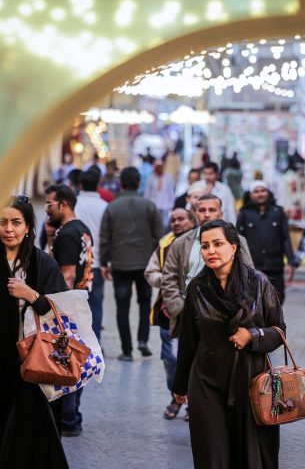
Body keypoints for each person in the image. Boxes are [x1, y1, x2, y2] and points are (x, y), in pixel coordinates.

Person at [0, 195, 68, 469]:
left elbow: (60, 313)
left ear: (28, 227)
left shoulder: (43, 264)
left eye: (16, 222)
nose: (9, 229)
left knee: (25, 439)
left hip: (30, 368)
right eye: (3, 222)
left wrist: (32, 295)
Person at [172, 219, 285, 468]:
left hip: (251, 382)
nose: (210, 251)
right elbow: (188, 341)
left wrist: (253, 336)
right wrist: (180, 386)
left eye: (218, 244)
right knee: (212, 457)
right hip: (206, 383)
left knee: (250, 456)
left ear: (234, 247)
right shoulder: (197, 289)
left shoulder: (258, 284)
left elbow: (279, 331)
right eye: (205, 246)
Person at [161, 194, 253, 337]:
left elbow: (248, 275)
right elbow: (168, 278)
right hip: (189, 315)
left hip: (227, 317)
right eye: (202, 210)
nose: (207, 214)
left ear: (221, 213)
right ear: (195, 213)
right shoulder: (181, 243)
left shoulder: (237, 241)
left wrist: (238, 310)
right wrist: (180, 309)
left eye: (212, 210)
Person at [99, 167, 163, 361]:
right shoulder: (149, 206)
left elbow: (104, 238)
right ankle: (142, 340)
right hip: (144, 264)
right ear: (138, 183)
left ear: (122, 184)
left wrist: (103, 262)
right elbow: (160, 237)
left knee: (122, 307)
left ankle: (126, 350)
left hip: (120, 264)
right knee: (145, 303)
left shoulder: (112, 207)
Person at [45, 184, 94, 437]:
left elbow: (68, 274)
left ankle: (68, 419)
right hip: (83, 303)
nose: (46, 209)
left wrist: (57, 312)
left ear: (64, 205)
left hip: (68, 309)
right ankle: (72, 417)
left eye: (50, 204)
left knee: (65, 363)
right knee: (75, 360)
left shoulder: (67, 235)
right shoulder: (81, 229)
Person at [144, 208, 196, 420]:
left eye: (181, 218)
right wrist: (166, 280)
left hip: (196, 313)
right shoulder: (164, 244)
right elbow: (150, 272)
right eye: (173, 219)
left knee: (195, 360)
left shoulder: (200, 243)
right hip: (169, 312)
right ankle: (176, 396)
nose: (176, 222)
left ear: (192, 221)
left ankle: (194, 401)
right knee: (169, 358)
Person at [236, 180, 296, 304]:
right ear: (251, 195)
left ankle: (275, 323)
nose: (260, 194)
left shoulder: (278, 212)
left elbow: (285, 238)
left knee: (277, 299)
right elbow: (238, 241)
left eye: (262, 191)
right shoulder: (244, 214)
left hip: (275, 266)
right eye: (256, 191)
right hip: (252, 267)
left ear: (268, 192)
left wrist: (291, 262)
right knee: (253, 301)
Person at [74, 170, 109, 344]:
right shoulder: (104, 206)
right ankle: (95, 343)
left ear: (81, 185)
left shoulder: (74, 205)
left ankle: (78, 342)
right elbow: (107, 236)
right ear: (98, 184)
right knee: (96, 303)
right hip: (97, 262)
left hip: (75, 263)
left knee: (76, 305)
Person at [145, 160, 176, 230]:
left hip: (166, 206)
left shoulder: (168, 177)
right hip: (154, 205)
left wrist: (172, 204)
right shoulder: (151, 178)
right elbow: (147, 192)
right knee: (154, 225)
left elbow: (171, 192)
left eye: (160, 167)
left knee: (164, 226)